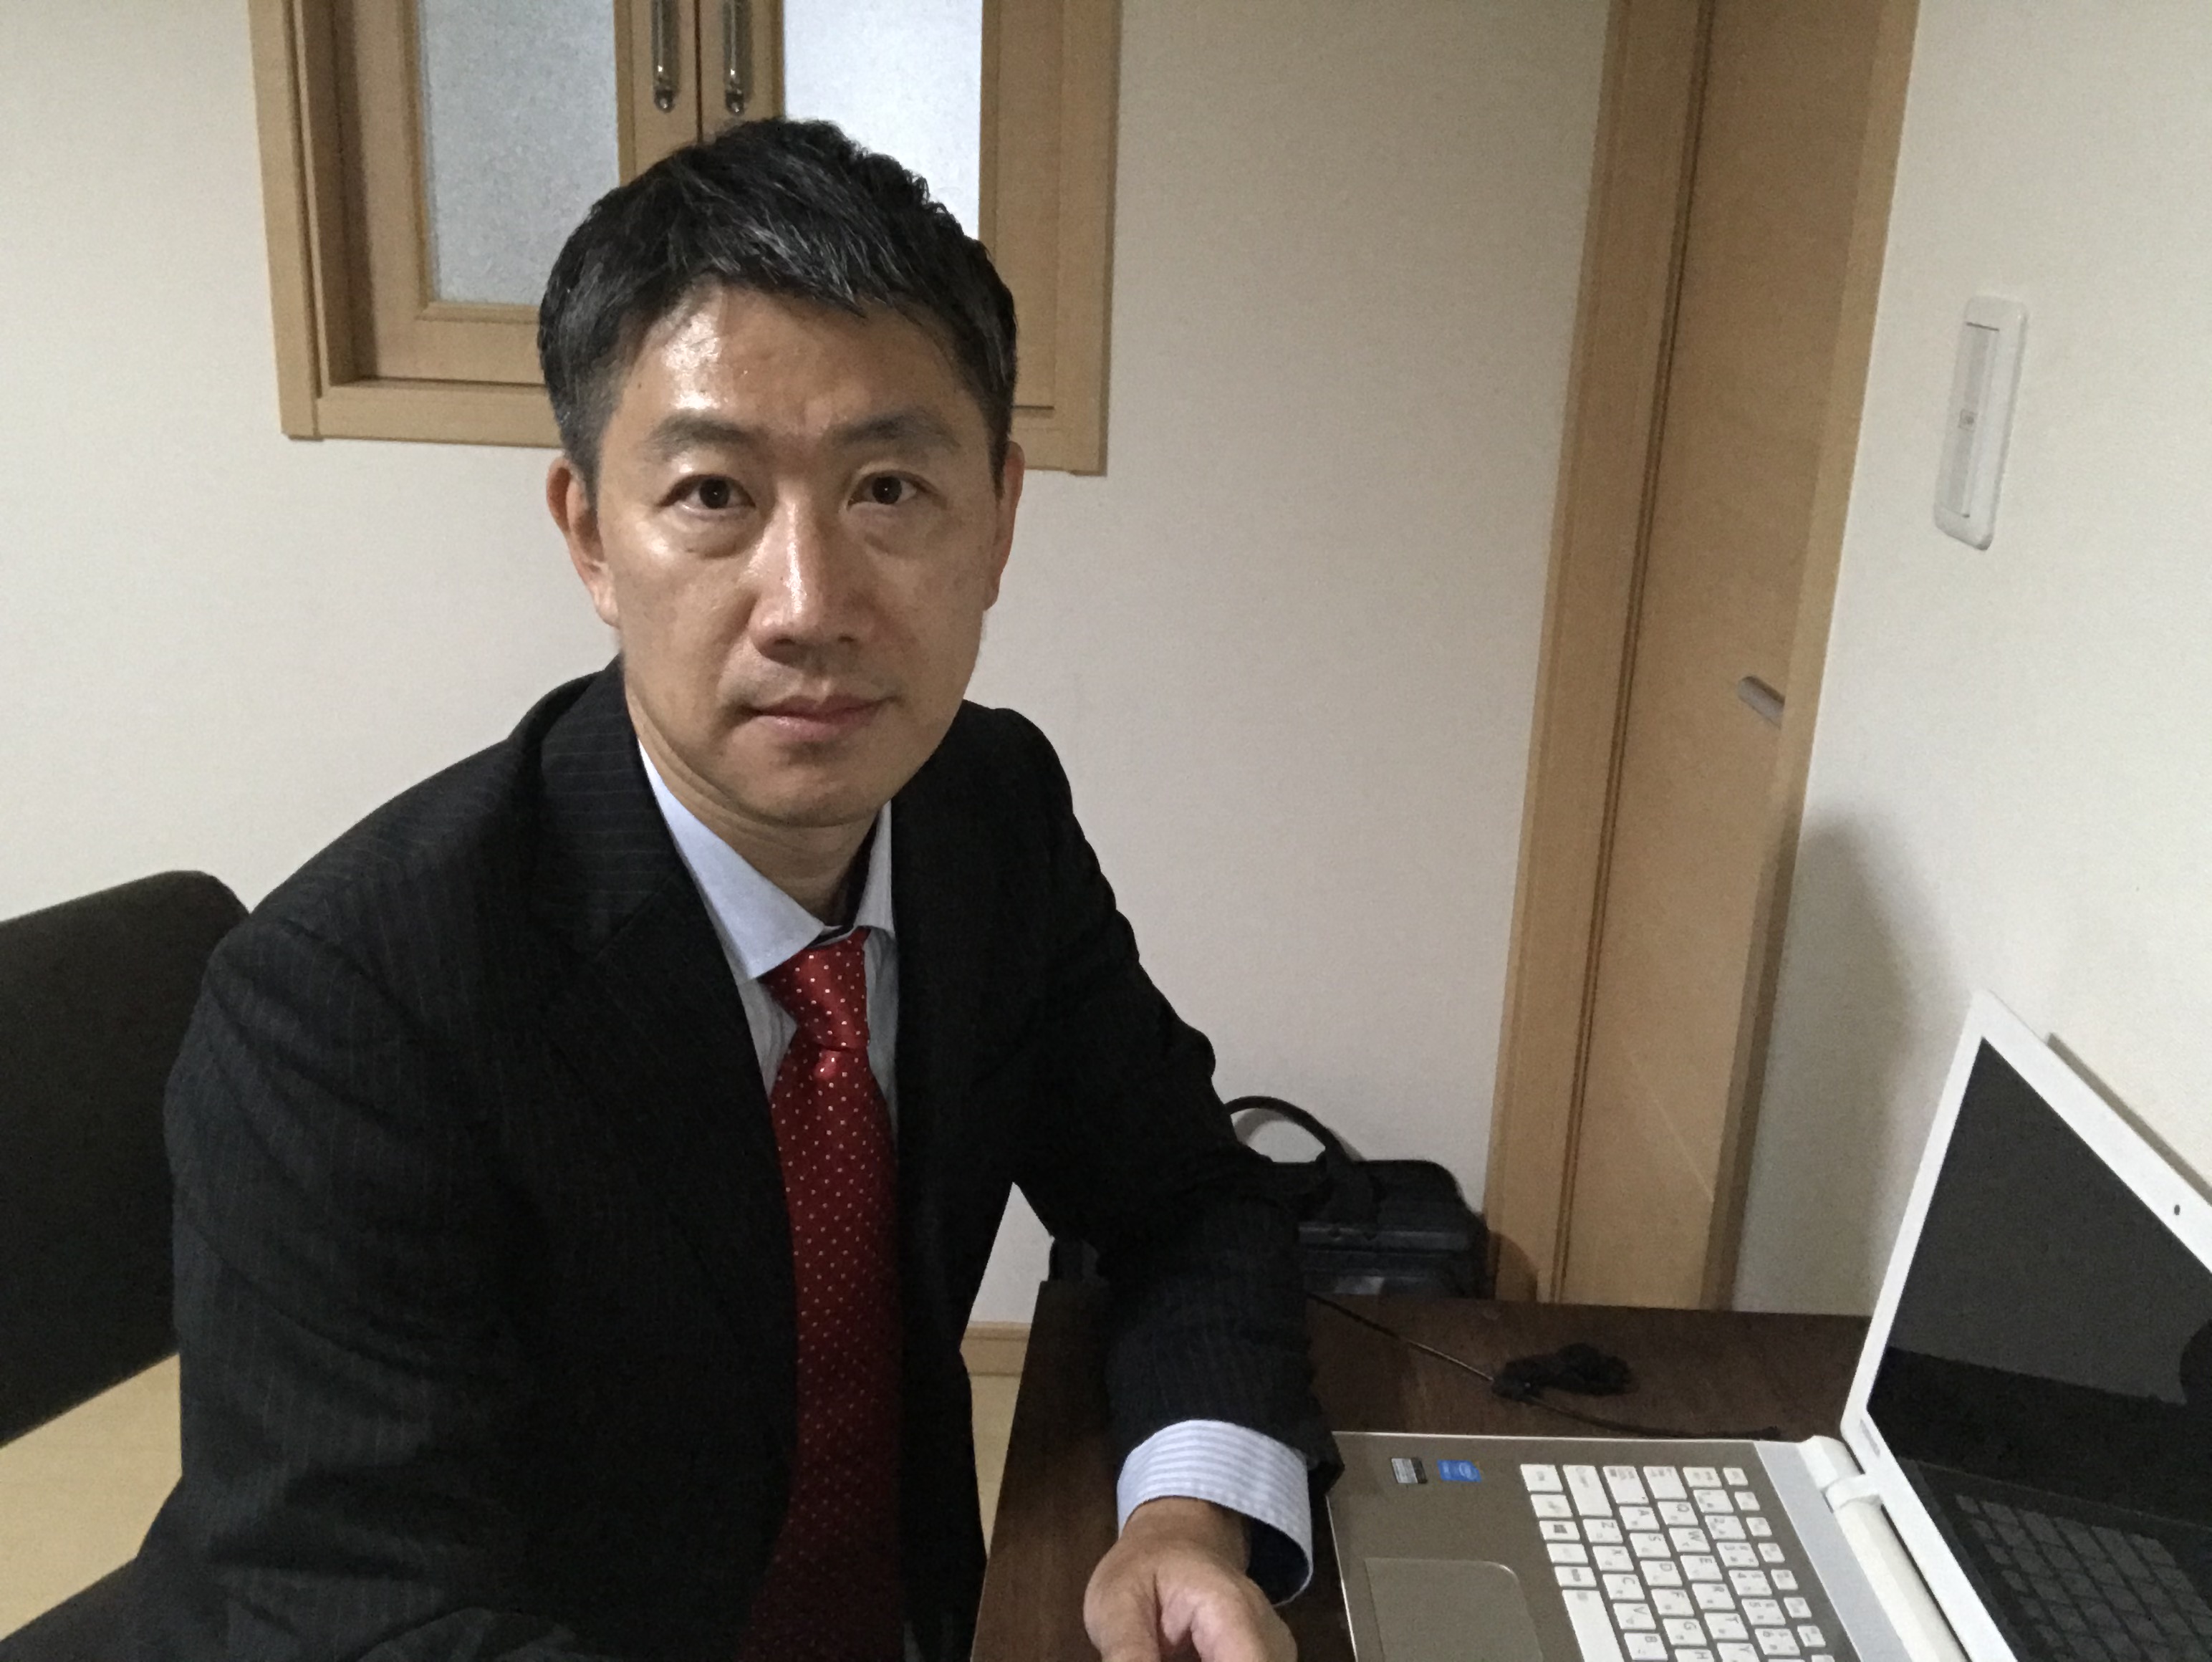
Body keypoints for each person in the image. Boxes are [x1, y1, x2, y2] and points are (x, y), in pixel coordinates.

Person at [133, 118, 1335, 1662]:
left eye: (888, 487)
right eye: (712, 494)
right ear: (590, 536)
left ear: (998, 521)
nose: (810, 605)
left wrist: (1182, 1511)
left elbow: (1185, 1199)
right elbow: (360, 1612)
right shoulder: (348, 1001)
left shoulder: (989, 811)